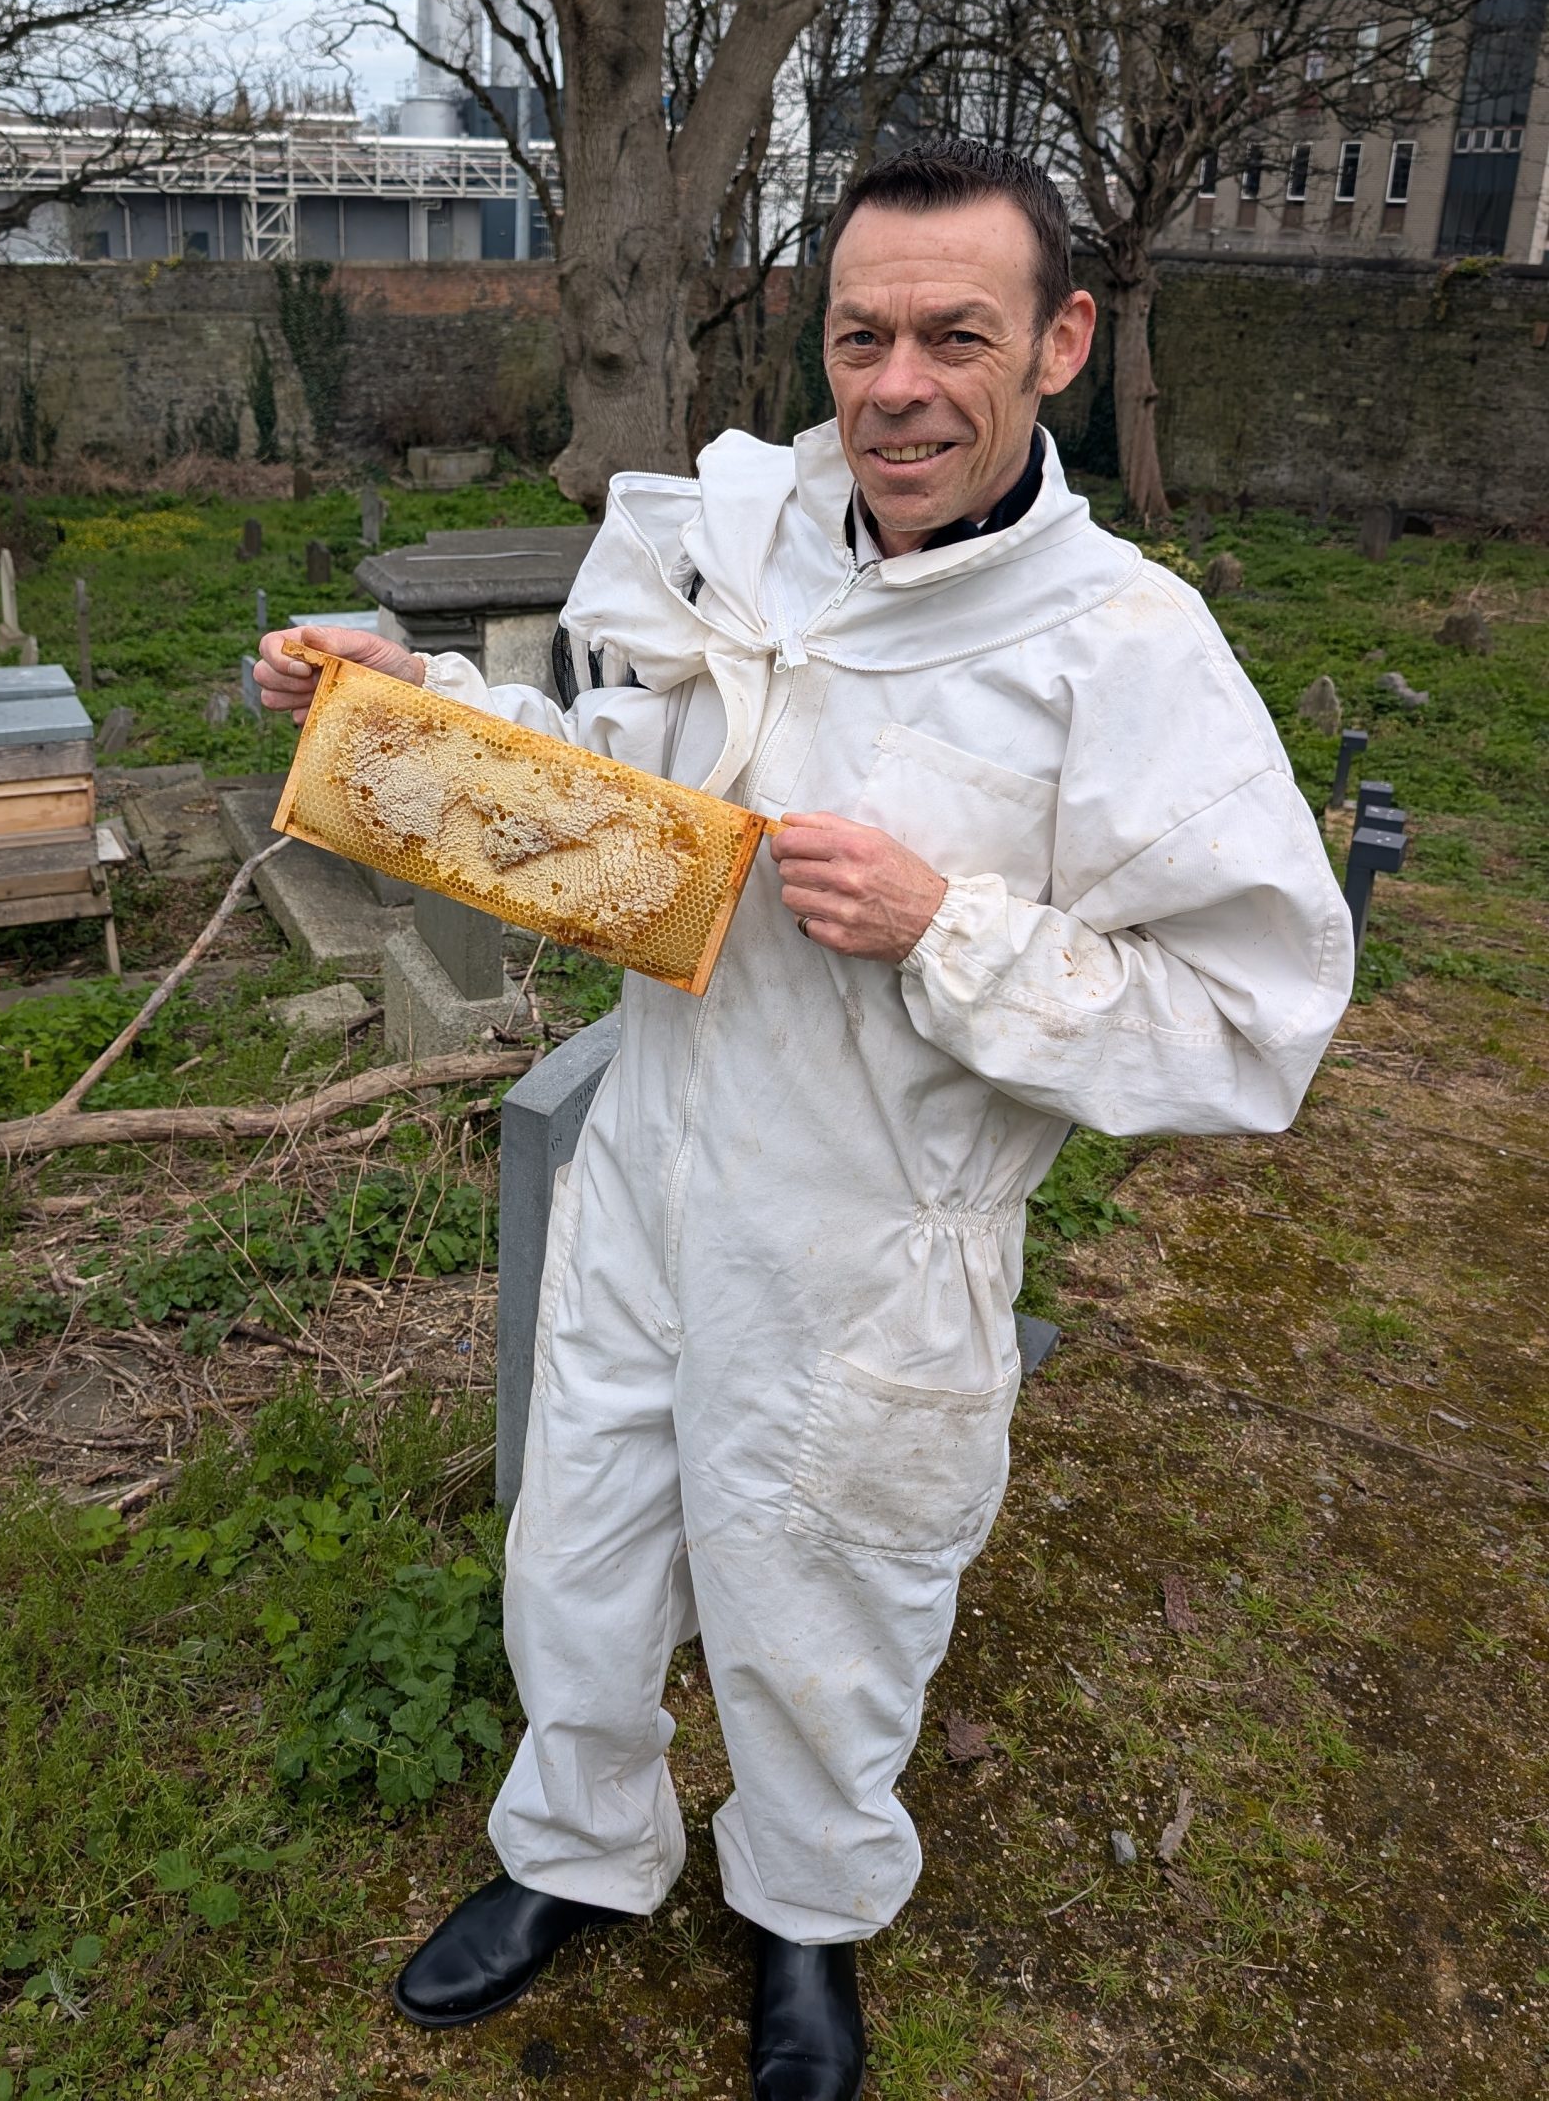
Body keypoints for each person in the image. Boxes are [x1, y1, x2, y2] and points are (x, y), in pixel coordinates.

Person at [258, 139, 1352, 2100]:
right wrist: (401, 705)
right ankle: (578, 1850)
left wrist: (955, 928)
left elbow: (1248, 1022)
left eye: (956, 333)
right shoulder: (746, 545)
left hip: (869, 1242)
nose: (899, 383)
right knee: (576, 1546)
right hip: (651, 1166)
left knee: (817, 1600)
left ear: (1060, 343)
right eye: (863, 333)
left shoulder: (1121, 652)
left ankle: (803, 1916)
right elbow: (621, 790)